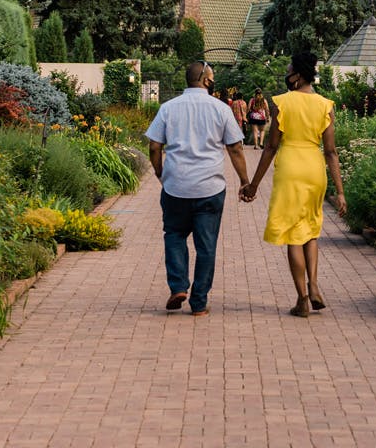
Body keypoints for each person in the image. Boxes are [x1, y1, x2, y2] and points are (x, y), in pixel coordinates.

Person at [239, 52, 346, 318]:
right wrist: (341, 192)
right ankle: (314, 285)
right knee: (310, 231)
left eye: (289, 69)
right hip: (314, 168)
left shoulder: (282, 103)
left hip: (290, 169)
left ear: (297, 75)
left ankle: (302, 300)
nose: (287, 74)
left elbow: (271, 146)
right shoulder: (325, 105)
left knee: (292, 237)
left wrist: (253, 185)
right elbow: (331, 152)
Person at [146, 61, 249, 316]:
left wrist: (160, 172)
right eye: (212, 77)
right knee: (206, 245)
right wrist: (245, 181)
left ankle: (178, 286)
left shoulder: (168, 108)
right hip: (210, 187)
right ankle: (199, 302)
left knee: (174, 234)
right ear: (205, 80)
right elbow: (235, 148)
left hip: (175, 186)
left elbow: (154, 146)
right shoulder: (220, 109)